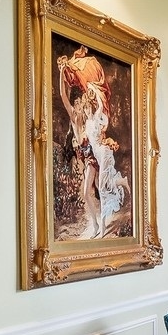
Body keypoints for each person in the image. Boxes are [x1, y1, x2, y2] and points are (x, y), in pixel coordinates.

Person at [57, 49, 128, 239]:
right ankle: (100, 221)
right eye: (78, 104)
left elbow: (98, 117)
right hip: (88, 156)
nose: (79, 106)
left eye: (82, 104)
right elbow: (63, 95)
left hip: (93, 156)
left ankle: (98, 225)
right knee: (97, 188)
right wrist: (62, 73)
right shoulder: (75, 118)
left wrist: (93, 91)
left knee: (90, 191)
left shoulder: (89, 120)